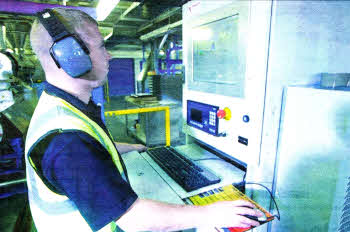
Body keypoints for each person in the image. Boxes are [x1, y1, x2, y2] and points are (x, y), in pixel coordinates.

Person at [26, 7, 263, 232]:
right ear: (72, 57)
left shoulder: (58, 106)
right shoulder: (67, 141)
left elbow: (90, 147)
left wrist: (129, 147)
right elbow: (134, 218)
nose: (109, 55)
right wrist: (210, 213)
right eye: (101, 46)